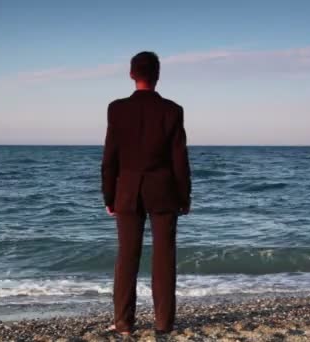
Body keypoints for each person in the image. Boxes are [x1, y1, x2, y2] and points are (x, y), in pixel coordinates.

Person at [101, 51, 191, 337]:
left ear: (131, 74)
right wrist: (184, 196)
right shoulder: (172, 110)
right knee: (164, 258)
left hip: (126, 191)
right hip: (163, 191)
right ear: (157, 75)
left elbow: (110, 158)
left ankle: (124, 323)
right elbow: (180, 159)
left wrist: (108, 196)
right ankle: (164, 323)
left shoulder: (116, 109)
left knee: (127, 257)